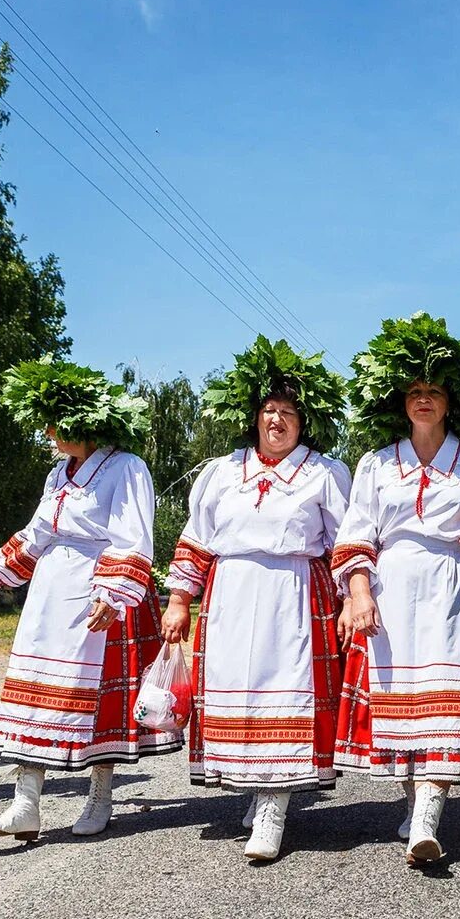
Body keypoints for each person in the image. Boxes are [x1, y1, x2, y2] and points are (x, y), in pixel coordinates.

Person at [0, 358, 178, 841]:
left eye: (55, 421)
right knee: (35, 692)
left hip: (99, 591)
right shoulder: (59, 473)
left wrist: (114, 591)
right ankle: (25, 804)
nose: (48, 431)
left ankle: (100, 796)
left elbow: (133, 535)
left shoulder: (126, 466)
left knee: (99, 696)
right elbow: (36, 534)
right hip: (51, 594)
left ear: (85, 421)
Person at [161, 336, 353, 861]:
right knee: (237, 691)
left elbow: (345, 544)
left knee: (283, 690)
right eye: (269, 410)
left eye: (288, 412)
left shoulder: (324, 473)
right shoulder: (222, 471)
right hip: (230, 594)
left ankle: (273, 808)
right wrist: (180, 599)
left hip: (292, 595)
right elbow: (197, 536)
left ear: (303, 422)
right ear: (254, 417)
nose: (277, 420)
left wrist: (348, 603)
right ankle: (256, 789)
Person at [332, 313, 460, 865]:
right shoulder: (376, 463)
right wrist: (359, 594)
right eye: (415, 391)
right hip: (391, 588)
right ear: (401, 401)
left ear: (450, 401)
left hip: (452, 586)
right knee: (402, 704)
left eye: (434, 390)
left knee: (445, 704)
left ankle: (428, 813)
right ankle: (413, 802)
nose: (424, 400)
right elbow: (356, 535)